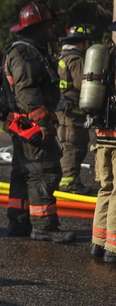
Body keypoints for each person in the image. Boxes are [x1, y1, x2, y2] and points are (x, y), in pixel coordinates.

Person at [1, 1, 75, 243]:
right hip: (32, 125)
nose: (52, 29)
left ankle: (19, 222)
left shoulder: (33, 51)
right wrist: (43, 124)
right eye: (48, 25)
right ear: (37, 27)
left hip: (24, 124)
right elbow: (27, 92)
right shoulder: (24, 53)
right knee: (44, 172)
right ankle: (44, 226)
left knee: (23, 174)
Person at [56, 23, 94, 194]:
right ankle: (69, 184)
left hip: (61, 111)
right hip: (72, 113)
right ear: (82, 43)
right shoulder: (76, 60)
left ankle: (70, 181)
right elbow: (83, 85)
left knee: (65, 145)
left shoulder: (61, 57)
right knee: (74, 146)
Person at [89, 20, 116, 263]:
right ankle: (113, 247)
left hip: (102, 138)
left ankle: (98, 242)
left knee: (105, 188)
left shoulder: (105, 59)